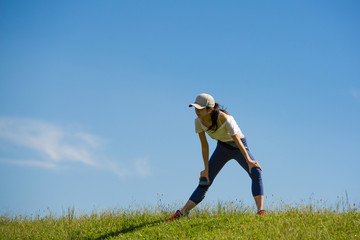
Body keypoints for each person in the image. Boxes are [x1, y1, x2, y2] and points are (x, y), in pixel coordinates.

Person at [167, 93, 266, 221]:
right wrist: (206, 169)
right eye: (195, 108)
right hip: (222, 148)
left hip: (238, 147)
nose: (196, 111)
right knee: (205, 180)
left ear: (210, 109)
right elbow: (204, 145)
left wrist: (249, 160)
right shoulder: (198, 122)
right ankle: (183, 212)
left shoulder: (225, 119)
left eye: (200, 109)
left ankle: (260, 211)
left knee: (256, 172)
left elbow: (237, 140)